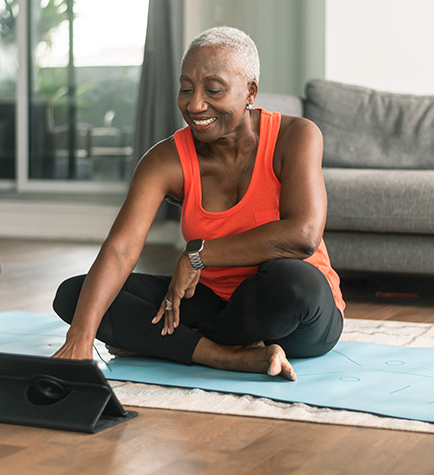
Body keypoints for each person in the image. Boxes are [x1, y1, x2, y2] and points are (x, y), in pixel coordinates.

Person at [52, 26, 344, 381]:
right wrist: (80, 338)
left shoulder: (295, 135)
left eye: (214, 90)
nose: (195, 105)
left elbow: (303, 235)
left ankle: (171, 344)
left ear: (250, 90)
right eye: (186, 89)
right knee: (77, 297)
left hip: (290, 314)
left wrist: (199, 255)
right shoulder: (165, 159)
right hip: (211, 301)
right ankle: (224, 356)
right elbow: (121, 249)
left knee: (294, 281)